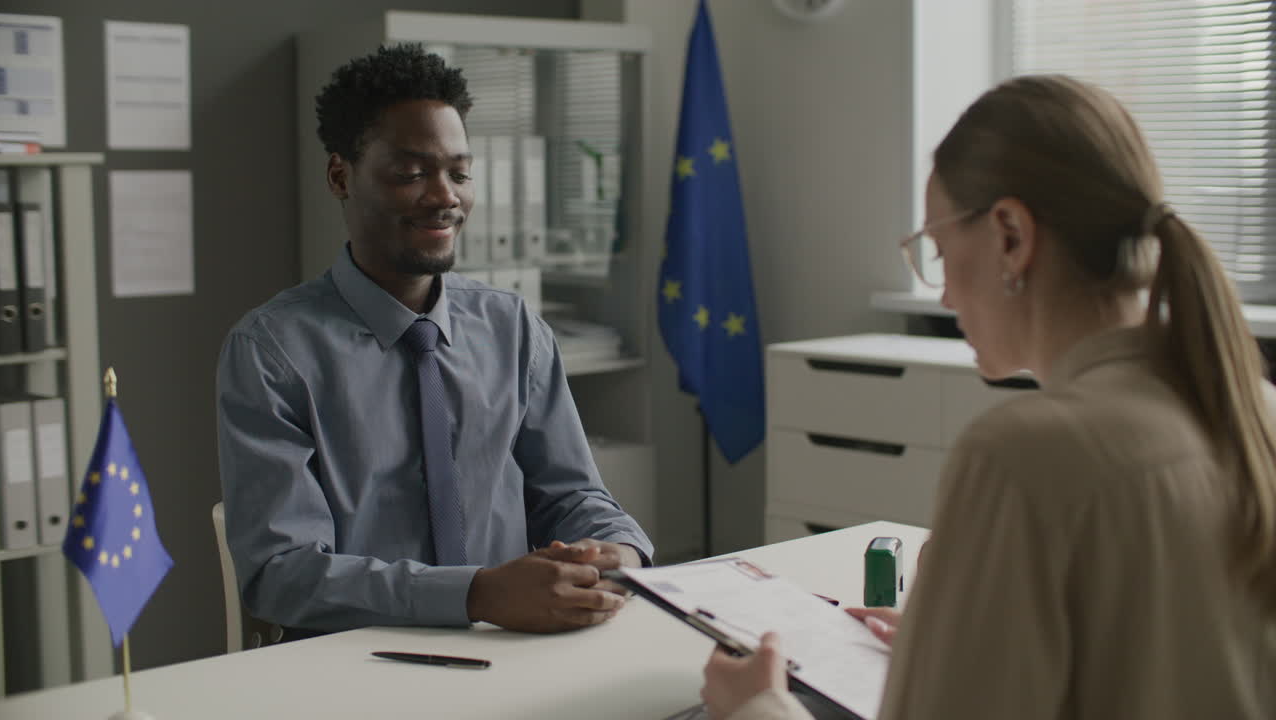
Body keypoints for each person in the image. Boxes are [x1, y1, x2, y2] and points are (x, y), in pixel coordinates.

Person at [701, 74, 1276, 719]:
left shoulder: (1026, 455)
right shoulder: (1253, 411)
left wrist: (760, 708)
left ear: (1011, 236)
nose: (944, 296)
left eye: (941, 253)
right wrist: (950, 654)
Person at [216, 44, 652, 637]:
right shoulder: (273, 351)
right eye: (412, 174)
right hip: (358, 665)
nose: (445, 195)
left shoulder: (514, 329)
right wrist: (475, 595)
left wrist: (616, 552)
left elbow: (574, 494)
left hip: (515, 646)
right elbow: (282, 575)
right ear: (340, 176)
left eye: (460, 172)